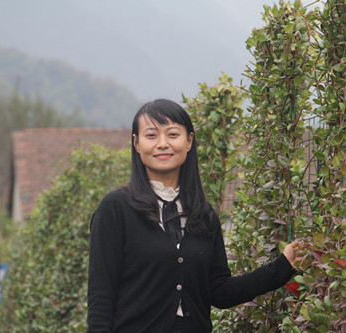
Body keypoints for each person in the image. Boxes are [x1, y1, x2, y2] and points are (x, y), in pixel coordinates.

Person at [87, 99, 301, 333]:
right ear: (136, 144)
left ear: (189, 141)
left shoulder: (203, 215)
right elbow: (101, 297)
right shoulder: (116, 209)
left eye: (172, 134)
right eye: (151, 135)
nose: (162, 144)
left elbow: (220, 291)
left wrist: (282, 267)